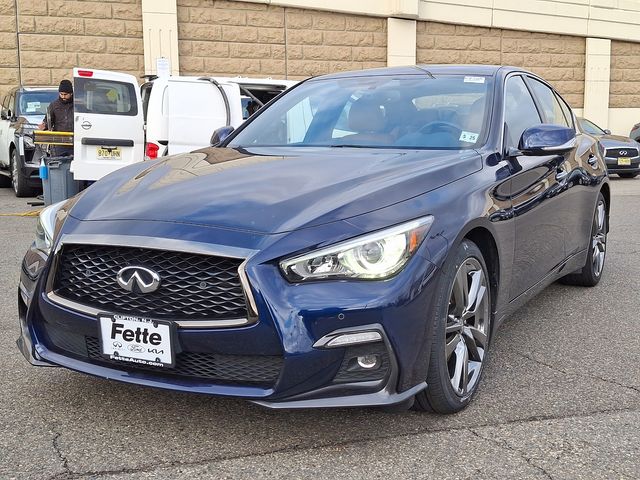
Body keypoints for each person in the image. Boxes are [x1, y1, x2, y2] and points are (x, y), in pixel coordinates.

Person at [38, 79, 74, 156]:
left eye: (65, 94)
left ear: (71, 93)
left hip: (74, 141)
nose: (63, 96)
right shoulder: (54, 105)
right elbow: (48, 121)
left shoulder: (77, 105)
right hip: (59, 143)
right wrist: (44, 126)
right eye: (61, 94)